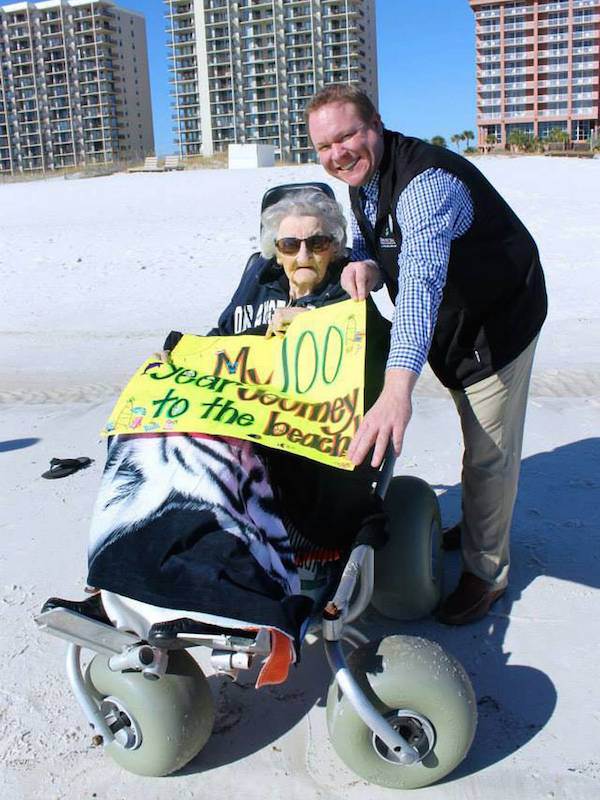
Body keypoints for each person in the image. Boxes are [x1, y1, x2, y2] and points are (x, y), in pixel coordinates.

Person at [45, 188, 388, 668]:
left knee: (213, 461)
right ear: (274, 250)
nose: (303, 255)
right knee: (140, 437)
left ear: (335, 247)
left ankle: (237, 601)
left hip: (305, 463)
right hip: (243, 434)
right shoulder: (258, 285)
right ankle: (117, 588)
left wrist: (308, 328)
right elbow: (220, 345)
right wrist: (176, 360)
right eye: (290, 245)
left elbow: (371, 367)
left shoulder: (348, 298)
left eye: (318, 243)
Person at [306, 84, 548, 625]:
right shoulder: (362, 176)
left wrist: (397, 392)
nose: (338, 153)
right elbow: (374, 236)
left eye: (347, 135)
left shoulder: (426, 185)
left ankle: (487, 573)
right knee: (475, 436)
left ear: (376, 124)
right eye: (324, 146)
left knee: (489, 454)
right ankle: (483, 521)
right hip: (454, 319)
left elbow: (419, 288)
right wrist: (366, 264)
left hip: (500, 319)